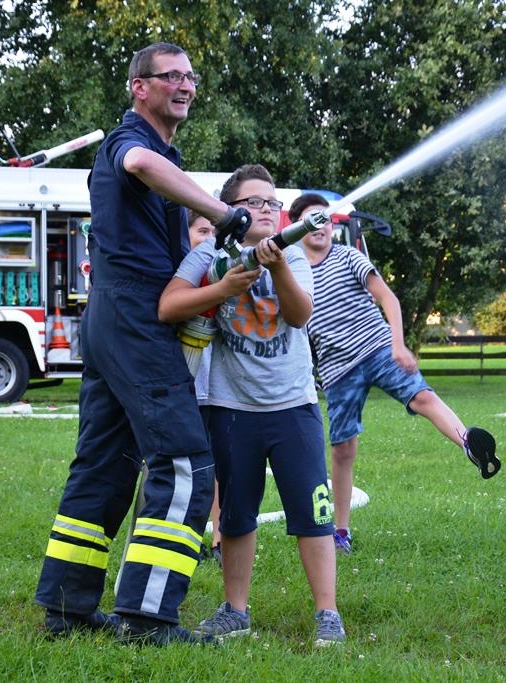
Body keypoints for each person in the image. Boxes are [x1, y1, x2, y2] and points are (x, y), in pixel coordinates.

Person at [34, 42, 254, 644]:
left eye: (191, 75)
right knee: (185, 463)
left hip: (113, 318)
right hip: (134, 317)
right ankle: (147, 618)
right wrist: (223, 212)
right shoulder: (130, 143)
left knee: (104, 464)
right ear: (139, 87)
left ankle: (66, 607)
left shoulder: (164, 151)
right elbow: (140, 168)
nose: (185, 85)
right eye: (171, 76)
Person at [159, 165, 346, 647]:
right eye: (253, 202)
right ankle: (235, 610)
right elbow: (169, 305)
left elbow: (300, 314)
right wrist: (222, 288)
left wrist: (278, 264)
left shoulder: (296, 254)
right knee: (235, 515)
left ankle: (327, 611)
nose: (266, 209)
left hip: (293, 407)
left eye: (271, 202)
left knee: (313, 511)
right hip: (230, 407)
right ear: (230, 212)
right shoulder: (208, 253)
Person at [291, 193, 500, 555]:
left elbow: (388, 298)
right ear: (297, 227)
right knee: (342, 449)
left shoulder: (349, 257)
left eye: (325, 219)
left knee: (422, 397)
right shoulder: (293, 273)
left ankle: (468, 442)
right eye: (312, 219)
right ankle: (340, 532)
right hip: (338, 370)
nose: (320, 226)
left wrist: (399, 344)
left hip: (378, 348)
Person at [186, 209, 223, 565]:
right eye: (202, 230)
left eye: (215, 231)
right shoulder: (182, 280)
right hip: (187, 388)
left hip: (219, 390)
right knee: (190, 469)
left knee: (219, 468)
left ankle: (219, 539)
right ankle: (188, 538)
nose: (210, 237)